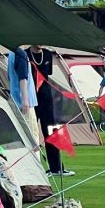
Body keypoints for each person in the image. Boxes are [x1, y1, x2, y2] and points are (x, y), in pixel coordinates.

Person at [29, 44, 75, 178]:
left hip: (47, 100)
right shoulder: (25, 54)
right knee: (30, 133)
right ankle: (32, 169)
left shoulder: (48, 55)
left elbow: (47, 75)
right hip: (32, 100)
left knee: (51, 132)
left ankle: (56, 168)